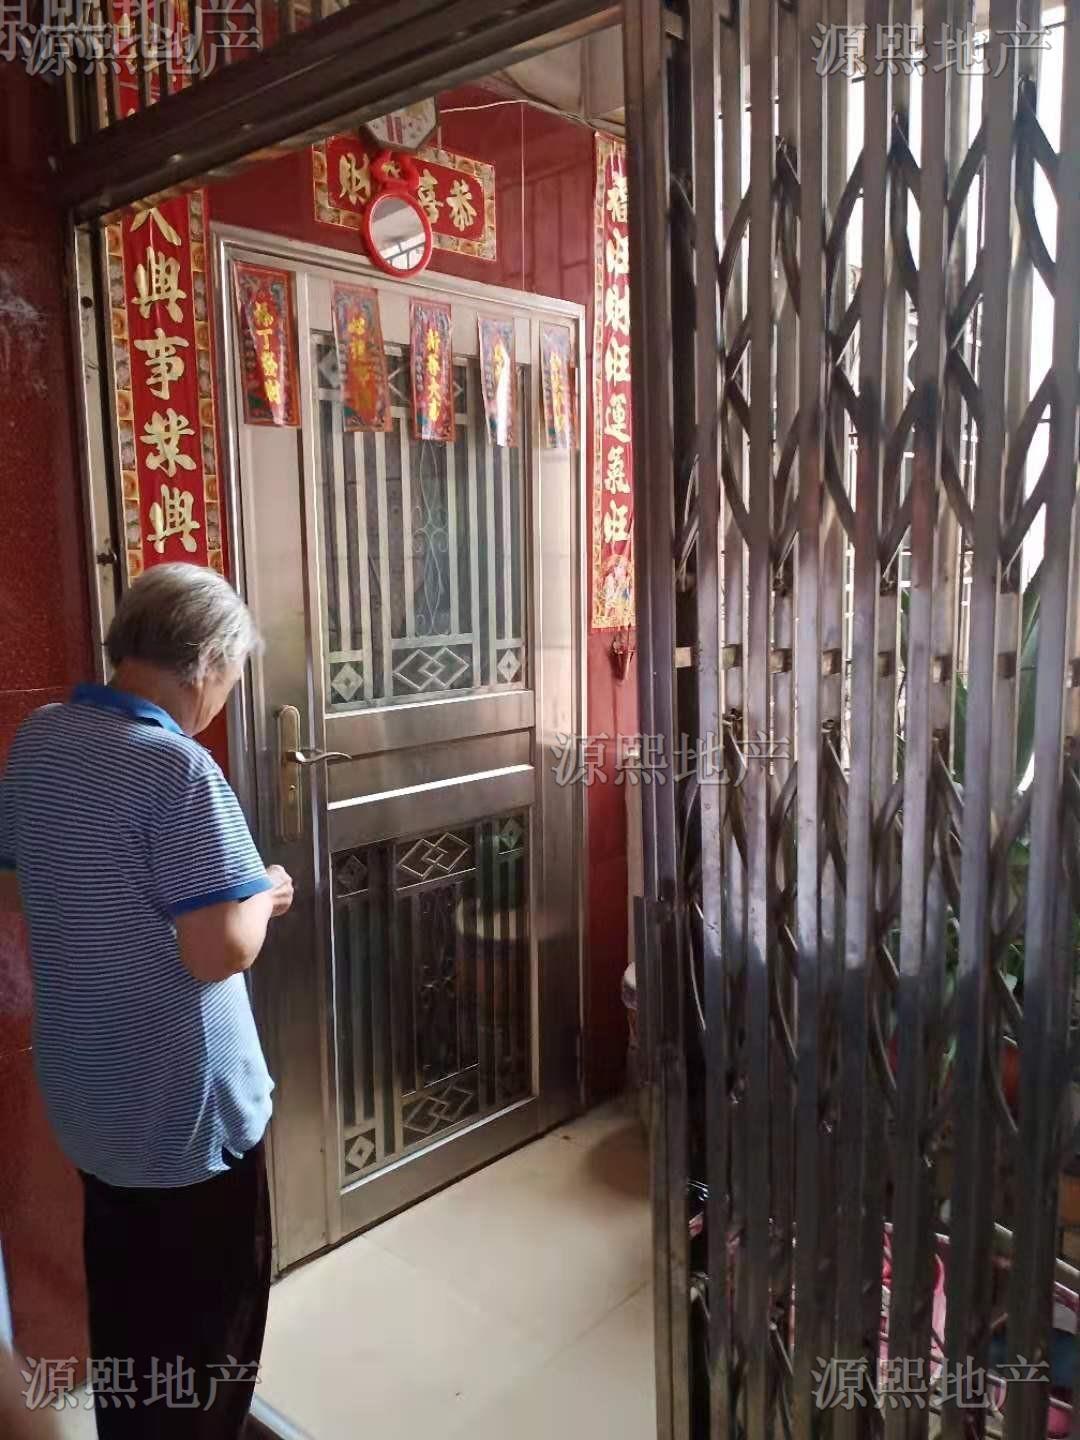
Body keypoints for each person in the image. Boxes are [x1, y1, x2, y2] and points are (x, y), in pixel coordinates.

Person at [0, 563, 294, 1439]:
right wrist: (264, 891)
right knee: (208, 1334)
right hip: (184, 1118)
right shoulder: (177, 769)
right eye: (231, 677)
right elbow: (219, 950)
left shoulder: (41, 738)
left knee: (129, 1306)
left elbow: (15, 887)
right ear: (205, 663)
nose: (224, 698)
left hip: (91, 1100)